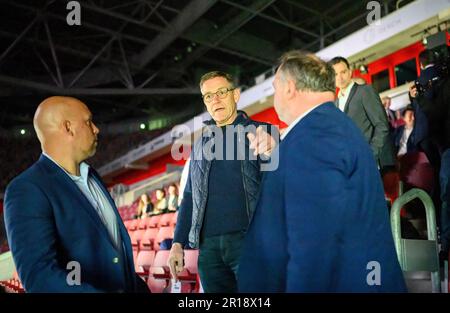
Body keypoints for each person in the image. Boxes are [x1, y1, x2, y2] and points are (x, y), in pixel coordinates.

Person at [238, 51, 406, 292]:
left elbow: (314, 246)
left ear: (289, 88)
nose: (275, 98)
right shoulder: (328, 127)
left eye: (275, 88)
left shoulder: (314, 136)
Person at [3, 96, 149, 293]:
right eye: (89, 121)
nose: (96, 129)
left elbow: (114, 258)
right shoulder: (27, 189)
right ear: (68, 128)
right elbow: (40, 278)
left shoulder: (93, 177)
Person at [168, 71, 277, 293]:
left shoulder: (263, 132)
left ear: (236, 95)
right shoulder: (199, 146)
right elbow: (189, 196)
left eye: (221, 92)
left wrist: (274, 151)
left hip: (250, 243)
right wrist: (177, 243)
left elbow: (282, 182)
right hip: (208, 251)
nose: (215, 99)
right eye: (208, 96)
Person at [330, 56, 395, 171]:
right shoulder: (335, 103)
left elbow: (382, 125)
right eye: (335, 74)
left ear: (350, 72)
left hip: (374, 162)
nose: (339, 77)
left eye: (343, 72)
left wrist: (370, 154)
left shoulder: (364, 91)